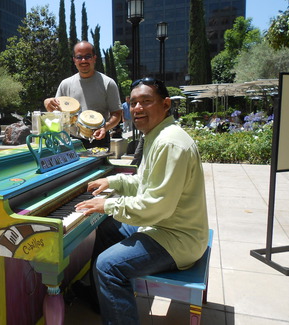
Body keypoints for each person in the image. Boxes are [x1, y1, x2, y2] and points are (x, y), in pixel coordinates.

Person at [74, 77, 209, 325]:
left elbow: (156, 206)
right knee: (107, 228)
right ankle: (101, 298)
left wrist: (109, 205)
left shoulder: (169, 143)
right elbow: (143, 182)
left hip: (178, 238)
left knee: (108, 266)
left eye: (146, 101)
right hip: (168, 226)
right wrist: (113, 183)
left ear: (166, 104)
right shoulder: (158, 135)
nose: (137, 108)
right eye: (133, 102)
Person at [44, 41, 122, 149]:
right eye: (79, 57)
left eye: (88, 56)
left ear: (94, 58)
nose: (83, 60)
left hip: (98, 139)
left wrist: (105, 127)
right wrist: (47, 103)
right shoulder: (65, 84)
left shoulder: (108, 83)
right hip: (70, 140)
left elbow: (117, 113)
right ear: (74, 60)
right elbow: (56, 113)